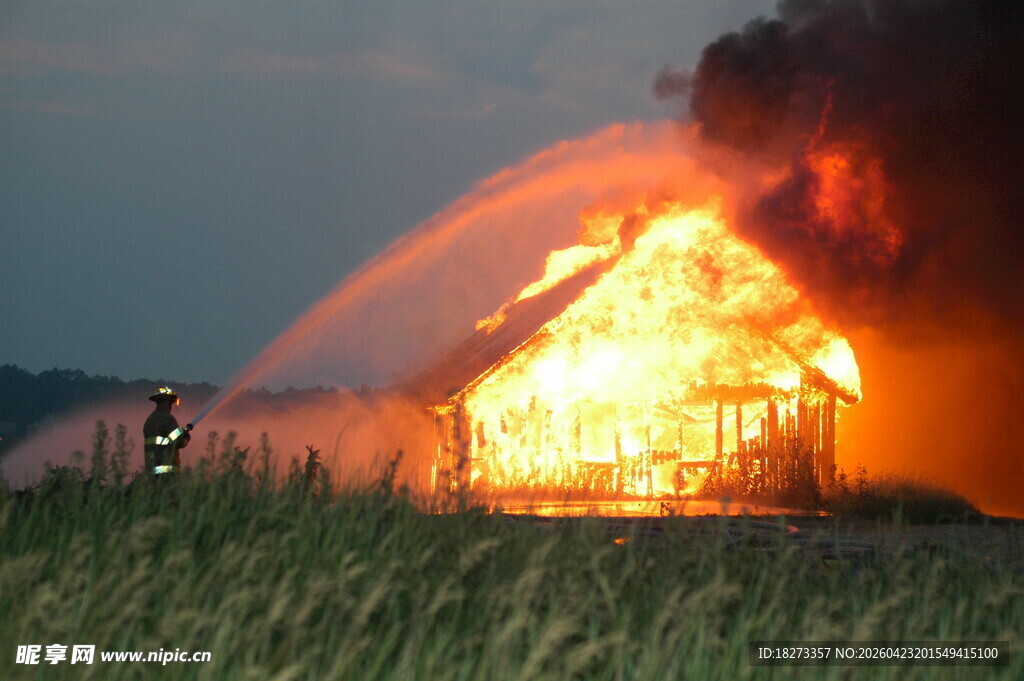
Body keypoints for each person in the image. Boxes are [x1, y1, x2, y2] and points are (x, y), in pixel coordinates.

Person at [143, 386, 191, 476]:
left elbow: (165, 440)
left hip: (151, 472)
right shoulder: (167, 418)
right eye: (171, 402)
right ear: (167, 401)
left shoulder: (149, 420)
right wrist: (186, 437)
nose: (171, 405)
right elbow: (179, 442)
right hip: (167, 474)